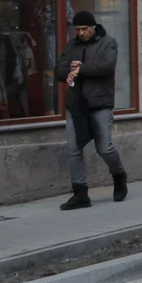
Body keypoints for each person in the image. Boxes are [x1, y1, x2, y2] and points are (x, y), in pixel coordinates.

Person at [54, 11, 127, 210]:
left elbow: (106, 66)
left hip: (100, 104)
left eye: (85, 29)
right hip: (76, 105)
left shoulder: (108, 43)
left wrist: (81, 69)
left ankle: (119, 175)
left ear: (93, 27)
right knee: (73, 149)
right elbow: (58, 70)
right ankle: (80, 194)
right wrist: (68, 70)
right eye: (78, 29)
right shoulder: (71, 46)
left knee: (105, 148)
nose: (81, 33)